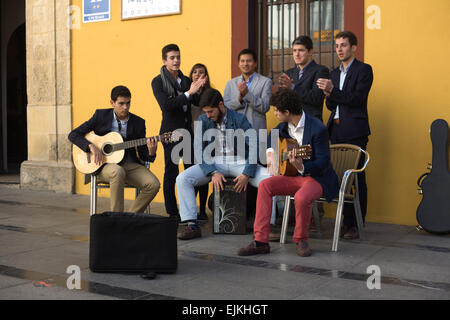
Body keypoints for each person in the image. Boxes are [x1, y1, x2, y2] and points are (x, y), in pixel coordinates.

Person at [237, 88, 339, 257]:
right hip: (293, 176)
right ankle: (261, 241)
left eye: (276, 110)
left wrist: (302, 167)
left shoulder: (317, 128)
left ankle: (301, 240)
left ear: (287, 112)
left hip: (316, 178)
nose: (274, 113)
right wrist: (271, 155)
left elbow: (323, 162)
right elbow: (271, 139)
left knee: (301, 197)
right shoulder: (284, 126)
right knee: (265, 185)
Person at [176, 88, 271, 240]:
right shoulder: (203, 120)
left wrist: (247, 173)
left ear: (221, 105)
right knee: (182, 179)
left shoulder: (239, 119)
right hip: (215, 162)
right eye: (206, 112)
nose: (208, 115)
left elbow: (254, 146)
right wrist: (213, 172)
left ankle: (268, 227)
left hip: (240, 161)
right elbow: (198, 149)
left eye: (211, 112)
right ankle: (192, 225)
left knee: (269, 180)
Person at [316, 31, 373, 239]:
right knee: (339, 175)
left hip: (355, 130)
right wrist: (328, 93)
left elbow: (357, 99)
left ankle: (356, 224)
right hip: (336, 129)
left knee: (356, 177)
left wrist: (333, 91)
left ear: (354, 48)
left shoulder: (364, 70)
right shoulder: (333, 73)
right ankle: (344, 222)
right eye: (337, 46)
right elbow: (332, 105)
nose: (339, 49)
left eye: (343, 45)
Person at [68, 85, 160, 213]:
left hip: (129, 164)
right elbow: (73, 135)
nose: (125, 107)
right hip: (103, 165)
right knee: (117, 171)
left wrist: (151, 152)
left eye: (128, 103)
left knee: (153, 184)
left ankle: (129, 218)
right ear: (112, 103)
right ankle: (116, 218)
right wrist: (91, 147)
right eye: (121, 104)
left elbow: (144, 155)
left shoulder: (138, 122)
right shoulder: (100, 116)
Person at [151, 44, 208, 221]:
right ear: (164, 61)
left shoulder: (184, 79)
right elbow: (166, 106)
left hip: (188, 132)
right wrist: (189, 92)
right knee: (171, 173)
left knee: (192, 173)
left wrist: (199, 89)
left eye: (178, 57)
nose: (176, 61)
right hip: (171, 133)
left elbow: (194, 102)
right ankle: (172, 212)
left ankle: (189, 212)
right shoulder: (158, 81)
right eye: (172, 58)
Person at [279, 35, 329, 121]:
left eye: (301, 50)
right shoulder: (289, 73)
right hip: (290, 124)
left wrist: (293, 87)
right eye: (294, 51)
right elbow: (281, 99)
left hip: (310, 123)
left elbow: (316, 98)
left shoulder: (321, 71)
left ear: (310, 52)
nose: (297, 54)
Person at [224, 48, 272, 133]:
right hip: (235, 130)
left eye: (249, 61)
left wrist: (247, 95)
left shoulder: (265, 82)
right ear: (238, 64)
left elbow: (265, 107)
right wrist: (239, 100)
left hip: (256, 130)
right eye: (242, 61)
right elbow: (226, 107)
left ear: (255, 63)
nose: (245, 64)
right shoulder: (230, 83)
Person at [189, 63, 211, 221]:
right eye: (195, 72)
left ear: (206, 76)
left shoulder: (210, 94)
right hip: (189, 137)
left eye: (201, 72)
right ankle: (190, 210)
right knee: (190, 174)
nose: (197, 74)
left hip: (206, 138)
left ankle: (202, 210)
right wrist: (193, 90)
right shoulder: (188, 94)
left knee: (204, 174)